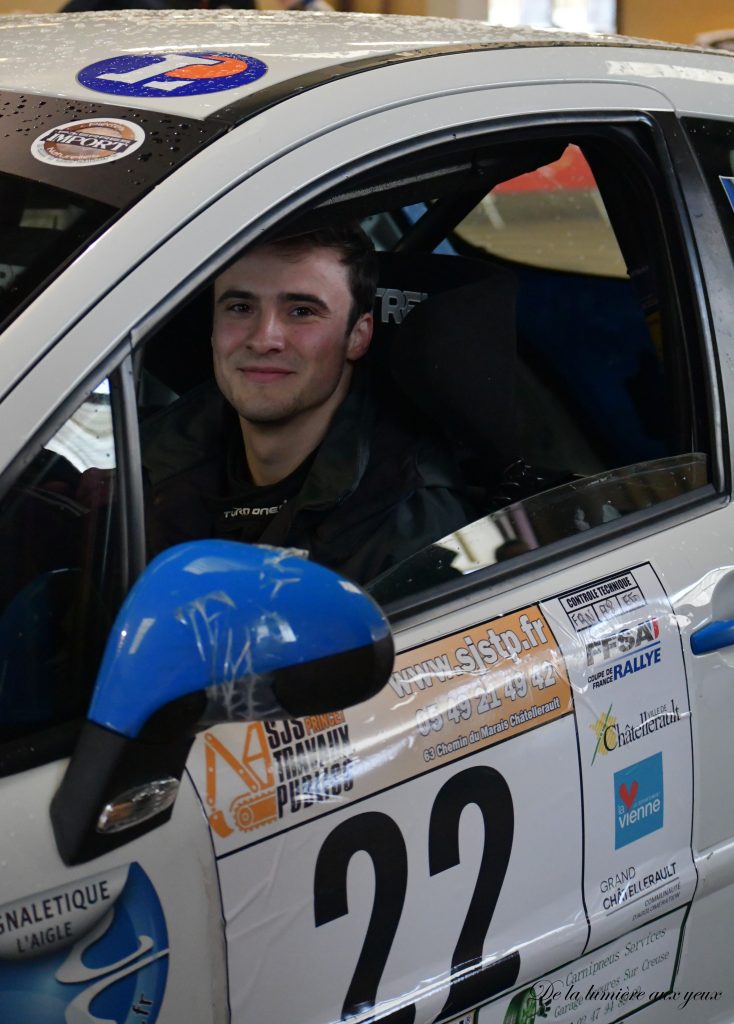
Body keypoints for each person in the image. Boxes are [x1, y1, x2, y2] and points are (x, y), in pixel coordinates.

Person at [142, 223, 474, 585]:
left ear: (358, 337)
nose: (264, 339)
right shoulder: (148, 465)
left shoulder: (406, 522)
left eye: (301, 311)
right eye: (240, 307)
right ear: (212, 330)